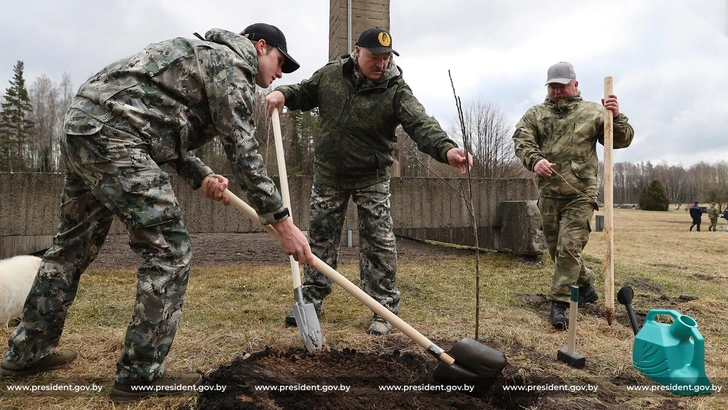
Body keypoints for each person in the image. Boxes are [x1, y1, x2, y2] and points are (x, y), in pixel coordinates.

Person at [0, 23, 315, 401]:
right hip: (117, 138)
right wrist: (283, 224)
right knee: (169, 250)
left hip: (83, 129)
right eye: (280, 62)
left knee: (71, 248)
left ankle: (25, 353)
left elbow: (165, 131)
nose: (279, 74)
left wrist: (201, 176)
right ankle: (139, 376)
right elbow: (244, 153)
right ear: (260, 46)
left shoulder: (199, 55)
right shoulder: (232, 64)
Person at [265, 27, 472, 335]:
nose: (382, 65)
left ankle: (384, 308)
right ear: (358, 52)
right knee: (320, 239)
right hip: (329, 175)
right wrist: (283, 93)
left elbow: (420, 123)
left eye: (387, 58)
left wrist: (447, 149)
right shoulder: (332, 74)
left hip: (371, 177)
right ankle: (311, 298)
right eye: (375, 57)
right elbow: (304, 92)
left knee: (379, 242)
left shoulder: (396, 89)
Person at [512, 61, 635, 330]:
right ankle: (587, 285)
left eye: (562, 86)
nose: (557, 91)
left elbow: (621, 139)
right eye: (552, 87)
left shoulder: (594, 112)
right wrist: (534, 160)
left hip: (581, 192)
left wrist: (616, 116)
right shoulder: (536, 114)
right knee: (558, 252)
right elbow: (521, 139)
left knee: (569, 248)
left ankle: (559, 302)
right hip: (549, 194)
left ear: (575, 84)